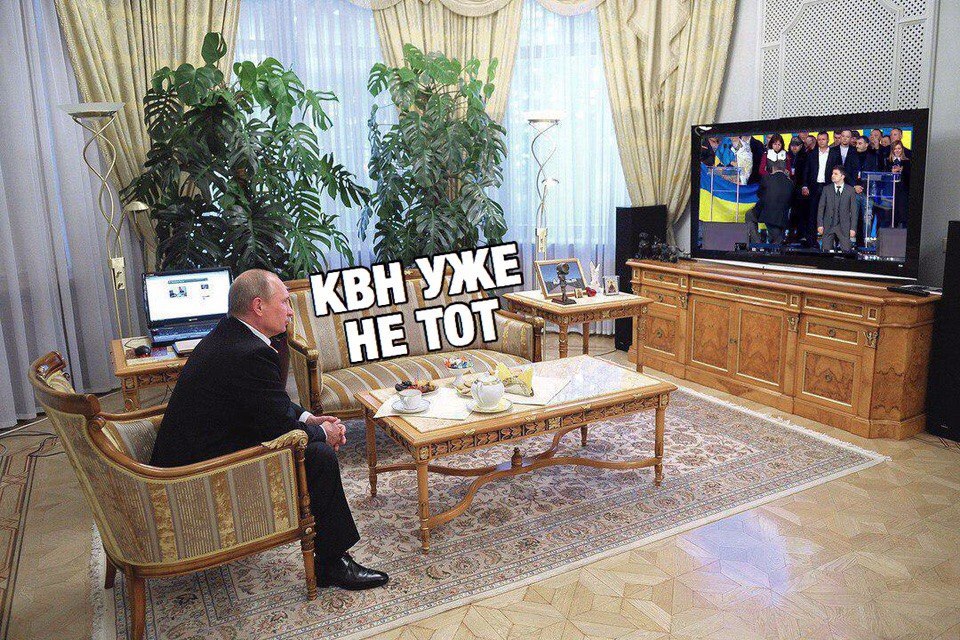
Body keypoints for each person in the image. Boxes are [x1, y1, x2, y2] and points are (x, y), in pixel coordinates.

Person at [149, 269, 389, 591]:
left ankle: (331, 558)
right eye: (285, 302)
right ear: (259, 306)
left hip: (196, 451)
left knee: (312, 442)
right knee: (318, 456)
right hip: (196, 475)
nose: (290, 311)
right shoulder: (249, 353)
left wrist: (310, 419)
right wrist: (325, 434)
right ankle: (332, 564)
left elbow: (269, 403)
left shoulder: (232, 335)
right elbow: (277, 428)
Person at [801, 132, 833, 246]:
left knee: (828, 214)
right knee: (813, 214)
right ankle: (811, 241)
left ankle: (828, 241)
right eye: (819, 139)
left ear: (828, 140)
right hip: (814, 187)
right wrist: (805, 185)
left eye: (823, 139)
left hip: (829, 186)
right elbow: (807, 170)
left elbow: (838, 170)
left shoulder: (834, 154)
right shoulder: (812, 154)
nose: (821, 141)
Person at [818, 166, 857, 251]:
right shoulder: (826, 189)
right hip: (828, 225)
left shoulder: (850, 190)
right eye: (832, 173)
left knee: (846, 251)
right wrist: (820, 224)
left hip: (844, 227)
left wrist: (853, 228)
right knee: (826, 251)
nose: (833, 175)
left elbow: (854, 211)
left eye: (836, 174)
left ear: (842, 176)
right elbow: (821, 207)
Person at [755, 159, 794, 244]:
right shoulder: (790, 182)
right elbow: (791, 201)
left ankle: (757, 242)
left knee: (749, 215)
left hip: (767, 214)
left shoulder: (766, 178)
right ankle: (775, 242)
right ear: (785, 170)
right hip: (783, 217)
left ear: (773, 168)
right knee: (776, 235)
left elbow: (759, 194)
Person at [888, 140, 911, 228]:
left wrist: (902, 171)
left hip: (903, 191)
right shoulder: (887, 161)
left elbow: (909, 177)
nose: (897, 150)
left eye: (899, 148)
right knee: (891, 214)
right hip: (890, 191)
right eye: (895, 149)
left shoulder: (907, 162)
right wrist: (891, 172)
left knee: (902, 212)